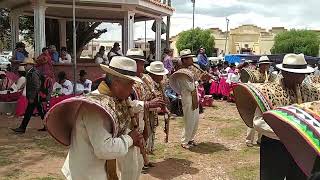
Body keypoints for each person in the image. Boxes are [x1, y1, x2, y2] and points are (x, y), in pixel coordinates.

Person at [45, 56, 146, 180]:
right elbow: (104, 149)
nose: (131, 90)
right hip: (87, 174)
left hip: (98, 170)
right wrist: (130, 139)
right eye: (130, 85)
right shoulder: (95, 108)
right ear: (116, 84)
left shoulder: (116, 99)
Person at [234, 53, 318, 180]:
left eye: (304, 74)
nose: (302, 77)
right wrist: (285, 130)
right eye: (298, 74)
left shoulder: (309, 91)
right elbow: (258, 121)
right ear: (285, 73)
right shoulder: (269, 92)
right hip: (275, 146)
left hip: (302, 147)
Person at [127, 48, 165, 171]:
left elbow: (147, 94)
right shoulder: (125, 80)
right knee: (131, 153)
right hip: (129, 122)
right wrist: (148, 104)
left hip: (142, 116)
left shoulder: (143, 78)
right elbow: (127, 104)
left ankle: (143, 162)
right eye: (141, 64)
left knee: (143, 139)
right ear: (132, 63)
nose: (143, 67)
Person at [169, 49, 200, 149]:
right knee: (189, 119)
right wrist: (197, 81)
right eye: (190, 58)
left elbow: (194, 83)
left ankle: (191, 138)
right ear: (185, 60)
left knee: (195, 119)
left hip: (194, 95)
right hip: (187, 97)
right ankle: (184, 141)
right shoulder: (181, 74)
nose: (192, 60)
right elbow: (190, 87)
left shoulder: (190, 70)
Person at [11, 58, 46, 134]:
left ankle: (22, 128)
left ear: (31, 65)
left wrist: (32, 97)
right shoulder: (31, 72)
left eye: (26, 65)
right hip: (35, 96)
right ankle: (22, 127)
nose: (24, 67)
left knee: (36, 112)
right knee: (33, 112)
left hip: (35, 96)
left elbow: (36, 86)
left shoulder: (33, 73)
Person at [145, 61, 169, 151]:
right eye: (160, 75)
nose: (162, 77)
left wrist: (164, 108)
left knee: (152, 129)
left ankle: (149, 149)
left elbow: (161, 97)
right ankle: (146, 151)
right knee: (147, 130)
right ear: (152, 74)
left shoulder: (159, 84)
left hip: (153, 111)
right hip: (147, 111)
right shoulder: (147, 84)